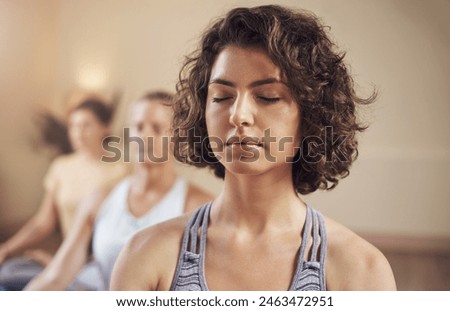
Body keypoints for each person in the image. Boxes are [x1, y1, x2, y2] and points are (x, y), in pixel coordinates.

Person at [110, 5, 397, 291]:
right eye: (222, 97)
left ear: (311, 118)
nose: (238, 115)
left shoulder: (361, 270)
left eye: (267, 97)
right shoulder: (145, 257)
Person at [25, 91, 213, 290]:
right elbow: (57, 275)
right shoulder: (100, 199)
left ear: (177, 138)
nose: (145, 136)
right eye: (138, 127)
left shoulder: (198, 208)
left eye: (157, 128)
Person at [0, 96, 128, 290]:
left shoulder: (122, 171)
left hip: (98, 266)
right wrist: (6, 250)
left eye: (86, 125)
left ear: (106, 128)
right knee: (8, 273)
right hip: (64, 259)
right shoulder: (61, 167)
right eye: (73, 126)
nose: (78, 133)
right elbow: (43, 223)